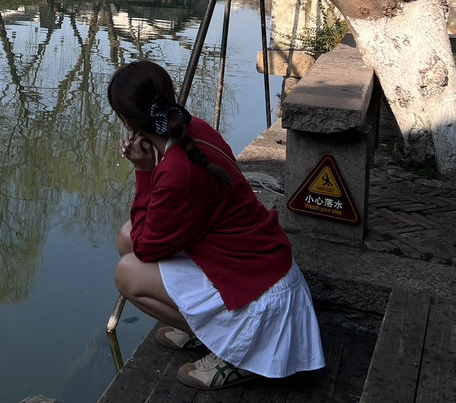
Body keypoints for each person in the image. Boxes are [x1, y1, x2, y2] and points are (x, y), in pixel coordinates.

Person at [108, 59, 325, 391]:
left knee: (127, 273)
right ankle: (207, 326)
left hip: (260, 294)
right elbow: (147, 234)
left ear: (128, 121)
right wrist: (153, 167)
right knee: (127, 237)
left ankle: (236, 351)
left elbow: (147, 247)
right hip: (256, 264)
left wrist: (143, 171)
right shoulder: (194, 131)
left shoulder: (177, 170)